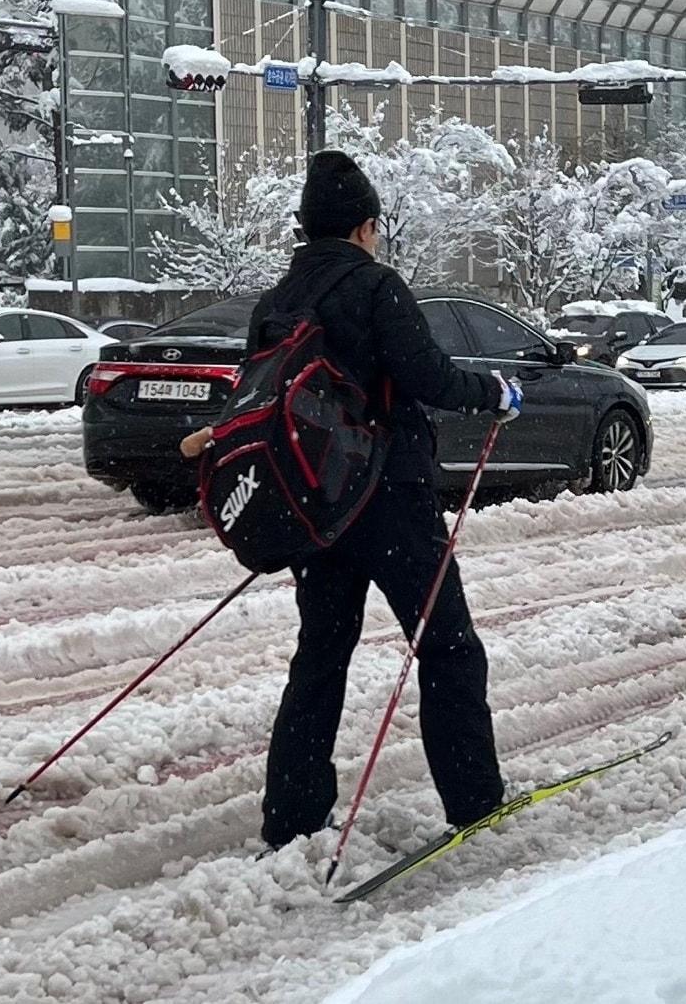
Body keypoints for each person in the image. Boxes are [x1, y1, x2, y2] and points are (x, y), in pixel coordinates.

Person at [183, 150, 522, 850]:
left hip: (316, 507)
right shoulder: (376, 287)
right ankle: (475, 801)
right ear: (366, 226)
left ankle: (294, 818)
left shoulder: (277, 301)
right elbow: (427, 378)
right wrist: (495, 394)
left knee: (321, 655)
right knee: (447, 646)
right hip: (391, 498)